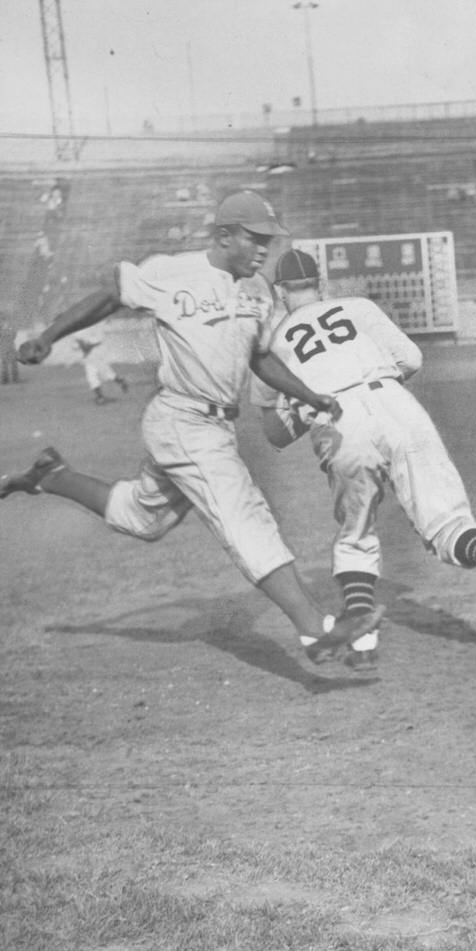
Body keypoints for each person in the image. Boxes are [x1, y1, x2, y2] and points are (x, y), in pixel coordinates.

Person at [1, 191, 383, 665]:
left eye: (271, 241)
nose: (266, 250)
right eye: (256, 239)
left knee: (143, 518)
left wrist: (310, 395)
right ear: (224, 236)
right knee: (244, 512)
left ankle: (51, 476)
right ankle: (314, 628)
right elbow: (109, 293)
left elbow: (260, 358)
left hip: (214, 426)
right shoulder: (172, 270)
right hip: (183, 417)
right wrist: (48, 335)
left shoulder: (259, 291)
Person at [250, 249, 476, 659]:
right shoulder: (357, 308)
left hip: (337, 420)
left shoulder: (272, 342)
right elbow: (413, 359)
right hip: (395, 402)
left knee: (357, 531)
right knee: (446, 520)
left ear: (281, 292)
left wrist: (308, 404)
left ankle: (364, 643)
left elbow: (274, 434)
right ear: (321, 285)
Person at [74, 333, 130, 404]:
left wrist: (84, 345)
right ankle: (100, 397)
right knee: (92, 377)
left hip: (95, 355)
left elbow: (91, 345)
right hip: (89, 357)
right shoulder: (77, 334)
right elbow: (82, 347)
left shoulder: (83, 332)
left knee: (107, 374)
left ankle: (121, 382)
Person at [0, 315, 17, 384]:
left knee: (12, 362)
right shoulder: (9, 328)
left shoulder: (10, 328)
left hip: (9, 347)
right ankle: (6, 379)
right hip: (6, 347)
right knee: (5, 363)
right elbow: (14, 335)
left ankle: (12, 378)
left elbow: (14, 335)